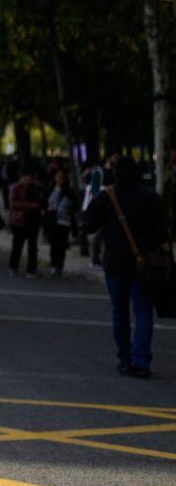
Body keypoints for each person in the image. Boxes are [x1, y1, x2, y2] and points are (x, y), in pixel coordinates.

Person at [86, 157, 167, 378]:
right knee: (143, 311)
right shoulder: (152, 198)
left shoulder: (108, 197)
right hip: (145, 264)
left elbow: (88, 225)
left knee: (119, 311)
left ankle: (125, 357)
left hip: (116, 263)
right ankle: (141, 360)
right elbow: (163, 234)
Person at [7, 164, 44, 278]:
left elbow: (41, 201)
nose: (29, 179)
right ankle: (13, 267)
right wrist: (27, 205)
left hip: (33, 219)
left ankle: (31, 269)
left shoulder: (36, 187)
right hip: (20, 219)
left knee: (32, 246)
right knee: (18, 244)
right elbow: (12, 203)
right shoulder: (17, 187)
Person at [45, 167, 77, 279]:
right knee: (54, 245)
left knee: (62, 246)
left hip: (65, 222)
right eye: (58, 177)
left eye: (62, 177)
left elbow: (74, 206)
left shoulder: (69, 192)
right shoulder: (50, 189)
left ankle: (59, 267)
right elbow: (45, 203)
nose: (60, 179)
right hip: (53, 221)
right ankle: (54, 267)